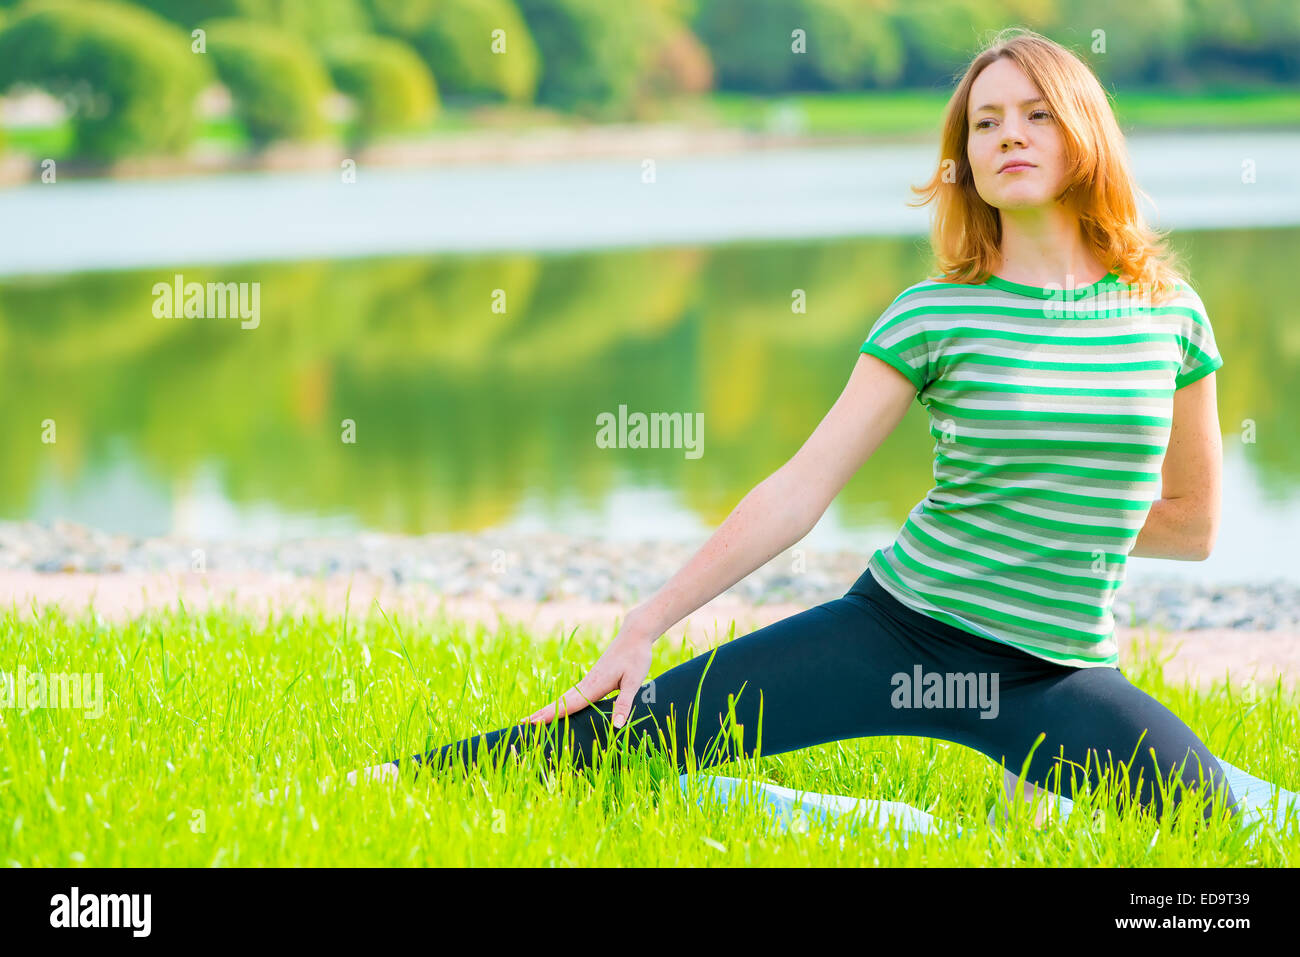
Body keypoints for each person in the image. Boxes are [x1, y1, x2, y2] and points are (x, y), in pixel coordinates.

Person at [347, 27, 1249, 832]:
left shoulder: (1169, 317)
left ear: (1084, 132)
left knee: (1223, 827)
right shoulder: (931, 315)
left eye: (1036, 113)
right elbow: (802, 487)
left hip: (1057, 669)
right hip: (900, 631)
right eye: (984, 123)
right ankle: (366, 782)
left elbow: (1193, 525)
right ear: (965, 158)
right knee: (610, 742)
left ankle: (906, 822)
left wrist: (1048, 525)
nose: (1008, 133)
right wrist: (648, 619)